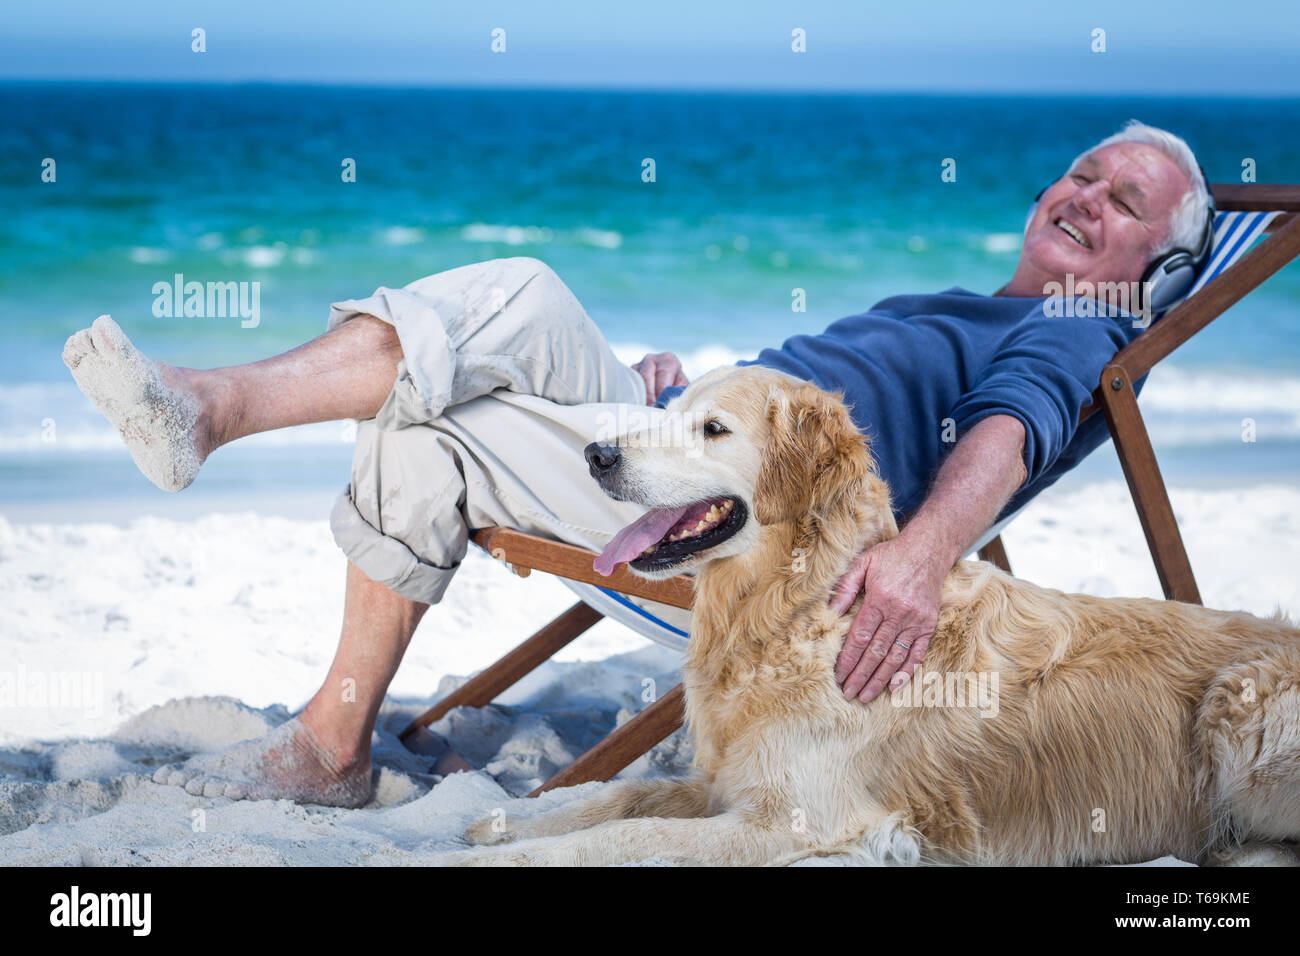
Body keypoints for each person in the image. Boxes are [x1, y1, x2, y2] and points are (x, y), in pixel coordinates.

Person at [62, 121, 1210, 806]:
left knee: (439, 408)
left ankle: (322, 726)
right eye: (1082, 173)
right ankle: (219, 439)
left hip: (754, 545)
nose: (1084, 199)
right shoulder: (964, 301)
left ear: (1150, 268)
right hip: (692, 446)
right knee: (524, 293)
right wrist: (692, 394)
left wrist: (917, 560)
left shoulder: (1079, 322)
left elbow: (1012, 427)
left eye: (1123, 206)